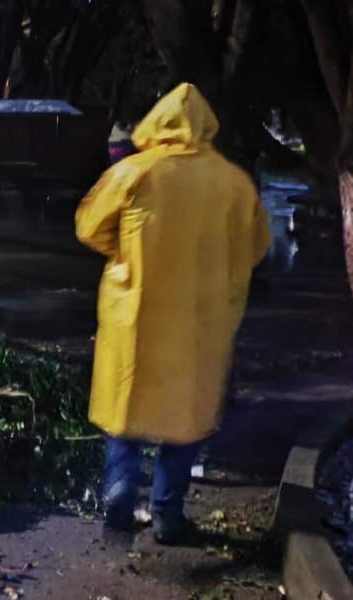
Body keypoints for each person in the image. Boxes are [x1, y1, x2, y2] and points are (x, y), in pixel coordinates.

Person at [75, 83, 272, 544]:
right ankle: (167, 511)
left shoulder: (134, 173)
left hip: (135, 314)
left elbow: (88, 227)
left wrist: (126, 253)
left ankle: (121, 484)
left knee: (125, 404)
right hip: (201, 321)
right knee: (187, 415)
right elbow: (257, 247)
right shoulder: (233, 183)